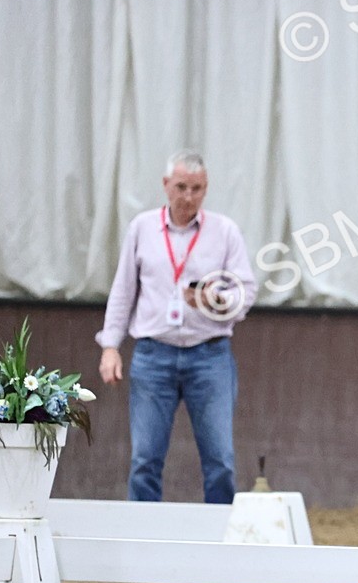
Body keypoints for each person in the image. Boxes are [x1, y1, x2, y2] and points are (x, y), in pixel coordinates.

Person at [96, 150, 257, 504]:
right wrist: (110, 346)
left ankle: (220, 536)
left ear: (206, 189)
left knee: (221, 461)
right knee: (144, 460)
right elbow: (123, 290)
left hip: (210, 353)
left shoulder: (224, 231)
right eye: (181, 187)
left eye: (197, 189)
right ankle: (143, 536)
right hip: (154, 354)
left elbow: (245, 292)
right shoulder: (142, 228)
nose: (188, 196)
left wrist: (214, 301)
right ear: (166, 185)